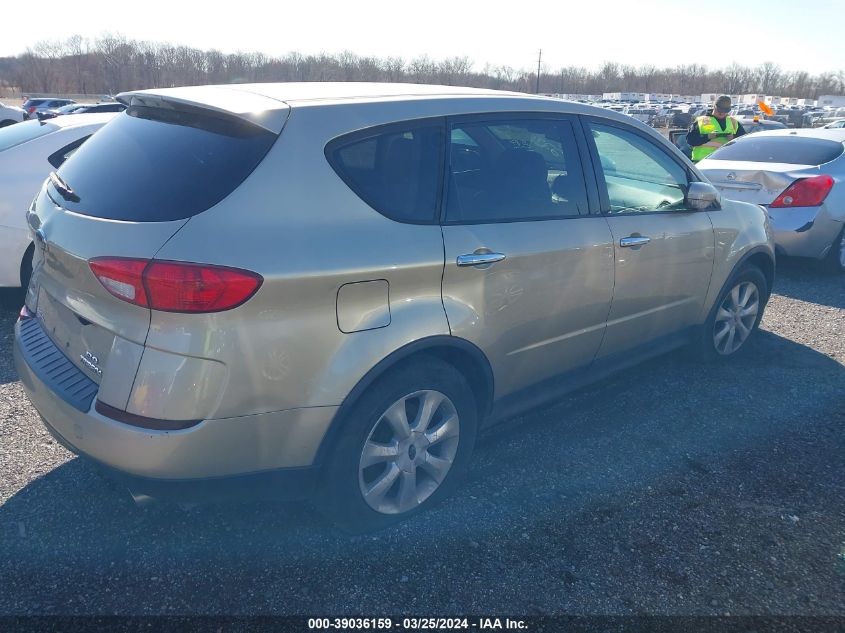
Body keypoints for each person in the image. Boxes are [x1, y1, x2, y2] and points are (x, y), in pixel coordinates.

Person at [687, 95, 746, 162]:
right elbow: (690, 140)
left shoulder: (733, 122)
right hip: (702, 162)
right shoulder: (701, 121)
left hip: (725, 162)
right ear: (714, 106)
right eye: (719, 110)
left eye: (725, 111)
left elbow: (744, 142)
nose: (722, 113)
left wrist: (734, 138)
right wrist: (707, 137)